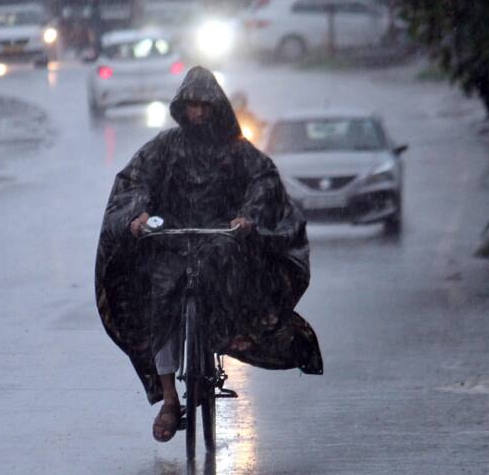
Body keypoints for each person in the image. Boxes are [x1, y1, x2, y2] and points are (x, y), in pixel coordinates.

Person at [95, 66, 323, 443]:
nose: (197, 114)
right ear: (181, 109)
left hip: (220, 238)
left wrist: (248, 217)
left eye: (204, 106)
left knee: (233, 284)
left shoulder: (236, 150)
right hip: (172, 238)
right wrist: (137, 216)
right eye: (191, 107)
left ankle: (221, 333)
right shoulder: (165, 146)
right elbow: (134, 180)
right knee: (161, 303)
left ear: (216, 108)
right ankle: (170, 399)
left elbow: (264, 179)